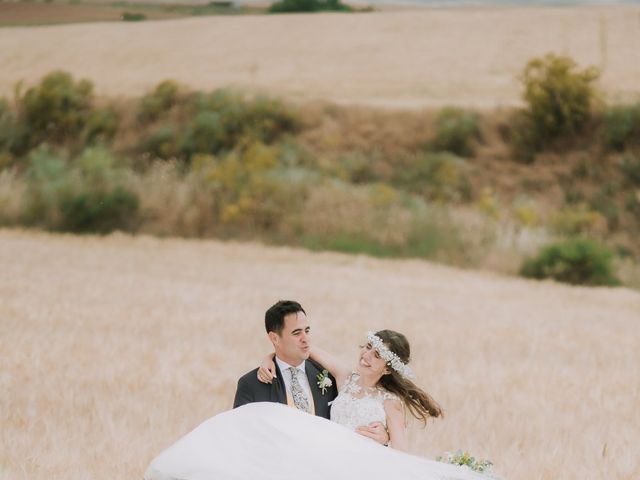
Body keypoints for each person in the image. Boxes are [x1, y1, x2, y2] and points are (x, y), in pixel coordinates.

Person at [144, 309, 490, 480]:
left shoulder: (391, 403)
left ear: (388, 368)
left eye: (376, 356)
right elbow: (301, 349)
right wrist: (266, 357)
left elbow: (399, 455)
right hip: (324, 463)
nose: (366, 356)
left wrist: (382, 442)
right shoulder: (344, 376)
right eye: (367, 348)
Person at [233, 299, 388, 444]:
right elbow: (240, 438)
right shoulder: (251, 384)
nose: (305, 338)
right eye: (296, 333)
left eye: (307, 330)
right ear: (274, 338)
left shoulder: (328, 374)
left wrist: (383, 436)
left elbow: (353, 417)